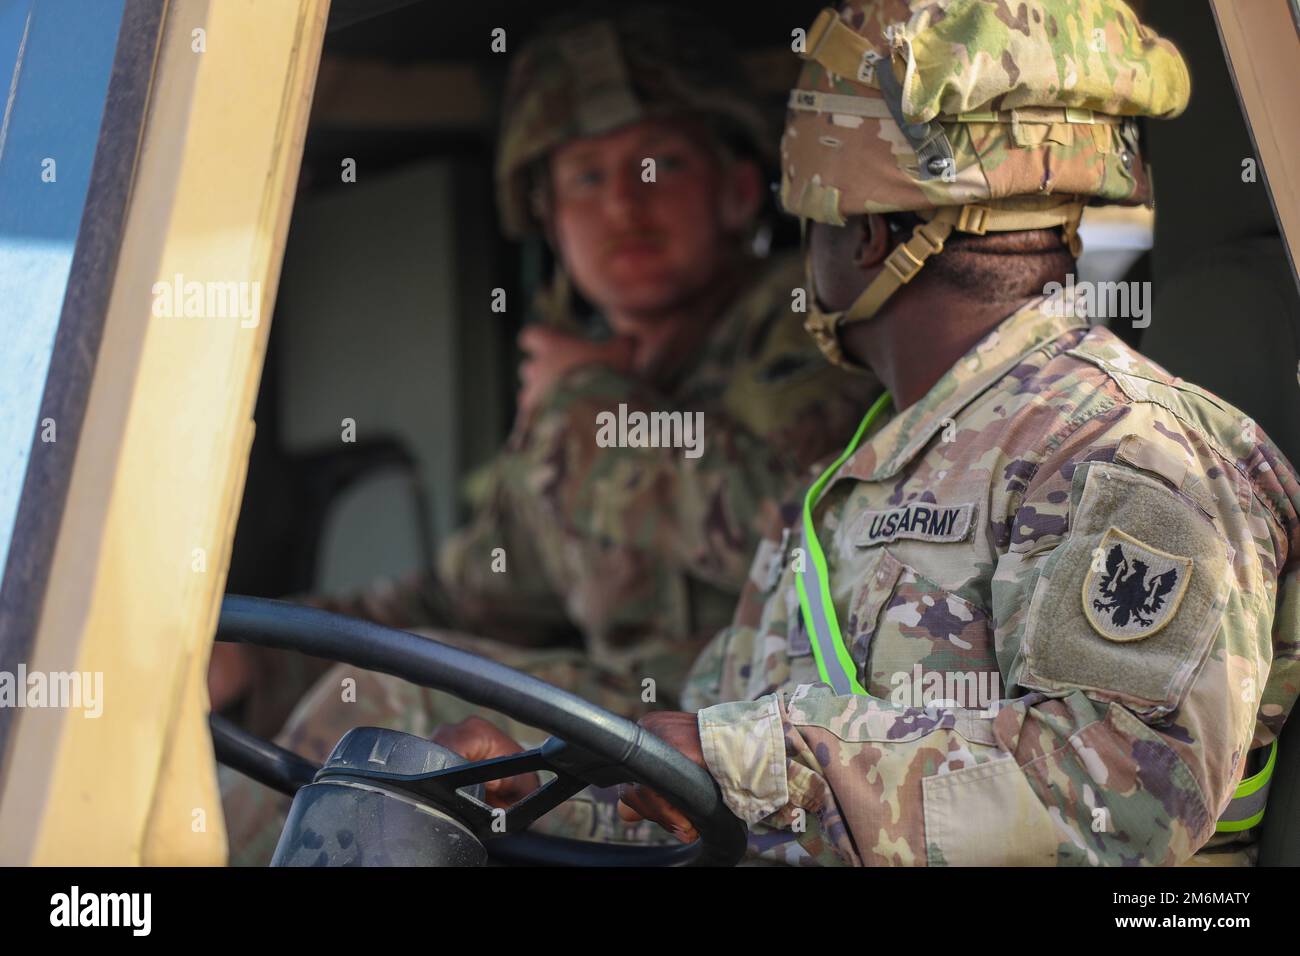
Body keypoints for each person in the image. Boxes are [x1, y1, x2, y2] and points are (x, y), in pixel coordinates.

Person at [458, 0, 1300, 866]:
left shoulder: (1128, 451)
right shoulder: (867, 474)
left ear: (862, 239)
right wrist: (554, 787)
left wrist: (750, 761)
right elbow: (711, 766)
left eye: (803, 223)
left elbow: (1116, 801)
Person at [218, 6, 880, 862]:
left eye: (661, 165)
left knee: (379, 704)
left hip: (749, 727)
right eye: (586, 180)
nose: (623, 206)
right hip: (637, 722)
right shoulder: (587, 375)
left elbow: (806, 544)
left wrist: (594, 411)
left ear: (738, 191)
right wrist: (258, 653)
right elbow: (462, 601)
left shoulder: (802, 331)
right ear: (550, 218)